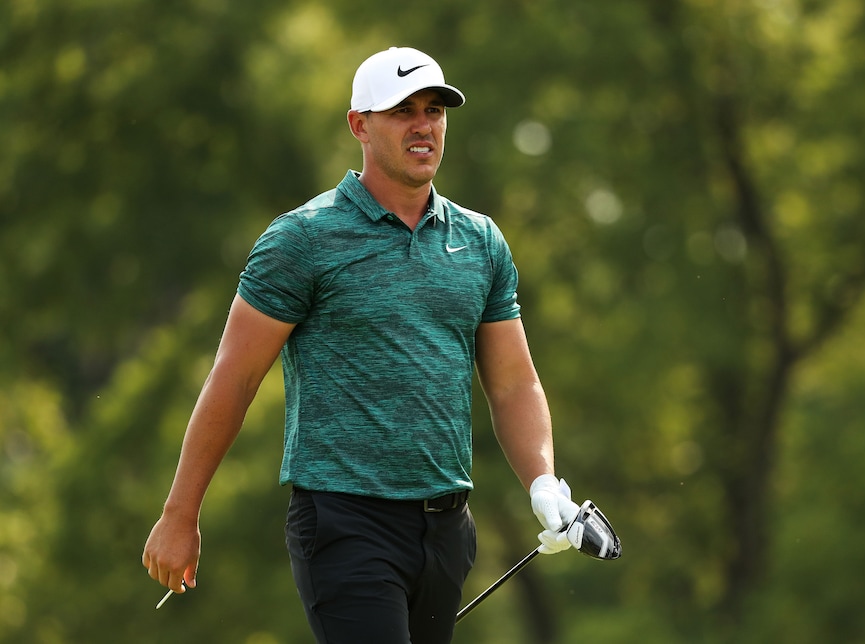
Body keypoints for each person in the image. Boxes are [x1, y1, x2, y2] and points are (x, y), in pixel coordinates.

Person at [142, 46, 580, 644]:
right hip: (346, 524)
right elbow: (234, 377)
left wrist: (543, 483)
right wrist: (180, 513)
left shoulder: (480, 241)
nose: (423, 125)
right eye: (402, 111)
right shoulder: (303, 239)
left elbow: (513, 382)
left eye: (434, 110)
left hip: (448, 526)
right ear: (359, 125)